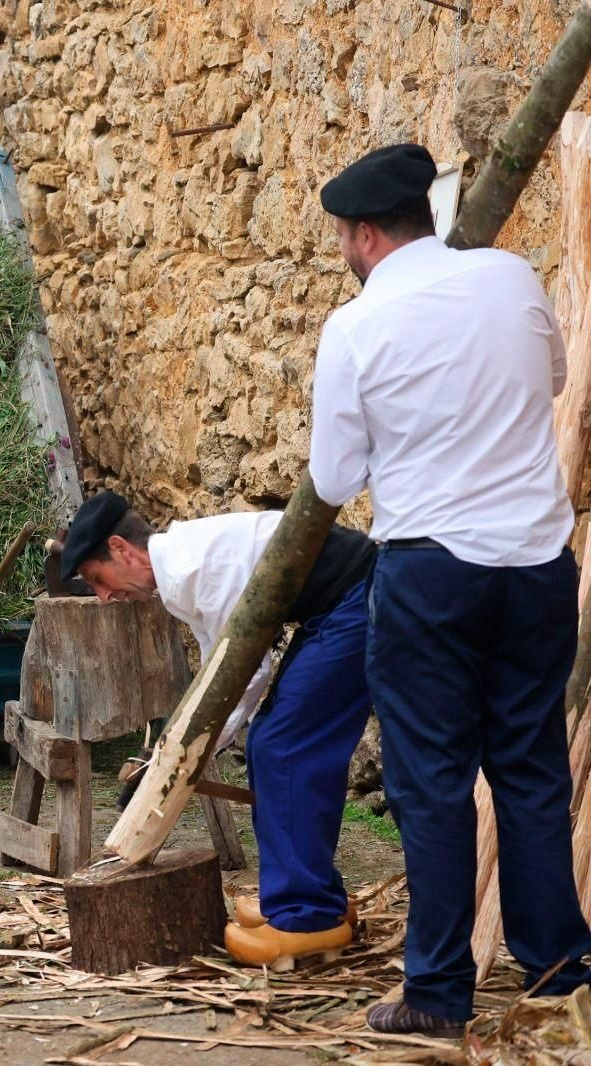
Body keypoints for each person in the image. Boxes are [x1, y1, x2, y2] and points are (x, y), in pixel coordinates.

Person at [309, 143, 591, 1036]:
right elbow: (548, 383)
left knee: (431, 782)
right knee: (531, 767)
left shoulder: (355, 329)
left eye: (344, 242)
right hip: (538, 560)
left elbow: (332, 477)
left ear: (362, 236)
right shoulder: (511, 278)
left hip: (432, 569)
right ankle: (558, 969)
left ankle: (436, 990)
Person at [59, 492, 376, 967]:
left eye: (96, 579)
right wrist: (168, 758)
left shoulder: (190, 570)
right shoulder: (181, 567)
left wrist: (183, 759)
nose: (104, 597)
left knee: (281, 746)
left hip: (359, 598)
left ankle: (305, 917)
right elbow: (220, 667)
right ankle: (313, 898)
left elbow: (243, 674)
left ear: (121, 548)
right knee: (273, 738)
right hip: (338, 605)